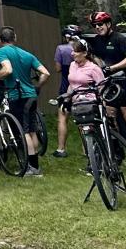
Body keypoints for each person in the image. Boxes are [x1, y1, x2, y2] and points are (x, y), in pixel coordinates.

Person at [0, 26, 50, 175]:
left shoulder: (1, 51)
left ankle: (32, 168)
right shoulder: (27, 54)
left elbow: (7, 70)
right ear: (15, 38)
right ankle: (35, 166)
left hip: (17, 96)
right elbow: (45, 73)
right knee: (31, 130)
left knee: (23, 131)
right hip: (31, 95)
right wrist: (38, 86)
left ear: (0, 40)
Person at [85, 11, 126, 156]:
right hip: (108, 83)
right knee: (110, 115)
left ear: (108, 24)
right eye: (94, 25)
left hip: (124, 81)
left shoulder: (119, 39)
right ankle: (117, 147)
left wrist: (112, 68)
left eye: (100, 24)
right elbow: (95, 56)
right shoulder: (96, 40)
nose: (97, 27)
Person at [51, 25, 79, 158]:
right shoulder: (84, 49)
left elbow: (57, 69)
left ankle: (61, 149)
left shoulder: (61, 49)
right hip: (81, 86)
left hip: (66, 84)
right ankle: (88, 149)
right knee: (83, 118)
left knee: (62, 117)